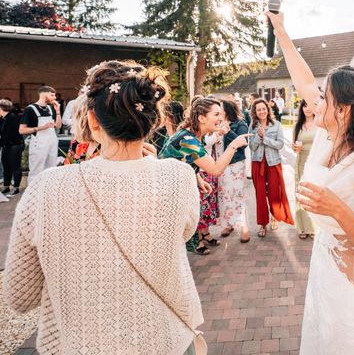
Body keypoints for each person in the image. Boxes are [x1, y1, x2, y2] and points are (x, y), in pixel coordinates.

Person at [3, 60, 205, 354]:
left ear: (93, 118)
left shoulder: (47, 187)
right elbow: (178, 237)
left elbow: (21, 297)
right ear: (152, 120)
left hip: (84, 344)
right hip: (167, 340)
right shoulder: (179, 176)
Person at [266, 10, 354, 354]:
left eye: (324, 99)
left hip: (349, 284)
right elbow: (305, 82)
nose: (314, 102)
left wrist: (337, 210)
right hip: (324, 266)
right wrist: (281, 30)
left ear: (342, 109)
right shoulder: (330, 135)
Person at [160, 96, 249, 255]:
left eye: (221, 114)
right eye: (216, 114)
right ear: (201, 118)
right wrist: (234, 144)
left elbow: (184, 161)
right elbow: (215, 169)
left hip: (174, 192)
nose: (221, 118)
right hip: (167, 198)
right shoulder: (188, 139)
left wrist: (197, 178)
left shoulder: (191, 135)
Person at [249, 98, 293, 237]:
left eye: (264, 108)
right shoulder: (252, 126)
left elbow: (280, 145)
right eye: (258, 109)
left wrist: (264, 138)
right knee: (260, 195)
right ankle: (262, 224)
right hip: (258, 163)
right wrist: (258, 136)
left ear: (268, 109)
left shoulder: (277, 125)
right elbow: (251, 147)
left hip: (273, 163)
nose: (262, 111)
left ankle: (275, 216)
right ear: (255, 112)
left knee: (275, 192)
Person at [216, 99, 251, 243]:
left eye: (220, 108)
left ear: (227, 110)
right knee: (224, 196)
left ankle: (244, 227)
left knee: (238, 195)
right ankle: (228, 224)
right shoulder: (216, 125)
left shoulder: (240, 124)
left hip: (235, 166)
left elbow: (242, 144)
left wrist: (228, 131)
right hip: (220, 165)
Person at [19, 86, 62, 179]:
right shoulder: (30, 109)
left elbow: (58, 126)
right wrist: (41, 128)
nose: (54, 98)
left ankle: (47, 192)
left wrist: (58, 111)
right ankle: (33, 193)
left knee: (51, 170)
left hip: (52, 143)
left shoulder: (50, 109)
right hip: (38, 144)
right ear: (44, 94)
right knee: (36, 171)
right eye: (52, 95)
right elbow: (22, 130)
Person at [293, 99, 317, 239]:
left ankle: (314, 227)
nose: (307, 109)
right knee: (301, 194)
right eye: (304, 106)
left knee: (313, 194)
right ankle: (302, 227)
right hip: (301, 161)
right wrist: (296, 148)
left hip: (314, 163)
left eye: (310, 105)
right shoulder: (298, 125)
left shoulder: (320, 124)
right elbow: (294, 147)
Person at [1, 99, 24, 197]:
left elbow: (11, 134)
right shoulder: (3, 118)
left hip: (15, 145)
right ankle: (6, 186)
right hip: (6, 145)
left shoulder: (12, 118)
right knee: (5, 165)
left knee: (15, 166)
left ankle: (16, 187)